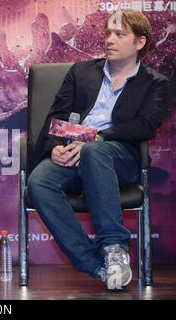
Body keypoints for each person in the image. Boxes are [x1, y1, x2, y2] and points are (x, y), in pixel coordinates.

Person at [27, 10, 170, 291]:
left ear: (140, 42)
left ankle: (114, 246)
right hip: (72, 152)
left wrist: (96, 138)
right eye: (107, 33)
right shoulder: (81, 72)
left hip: (119, 157)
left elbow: (144, 126)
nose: (110, 40)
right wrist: (55, 147)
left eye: (119, 34)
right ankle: (96, 264)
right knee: (38, 182)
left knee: (94, 151)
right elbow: (57, 116)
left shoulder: (156, 83)